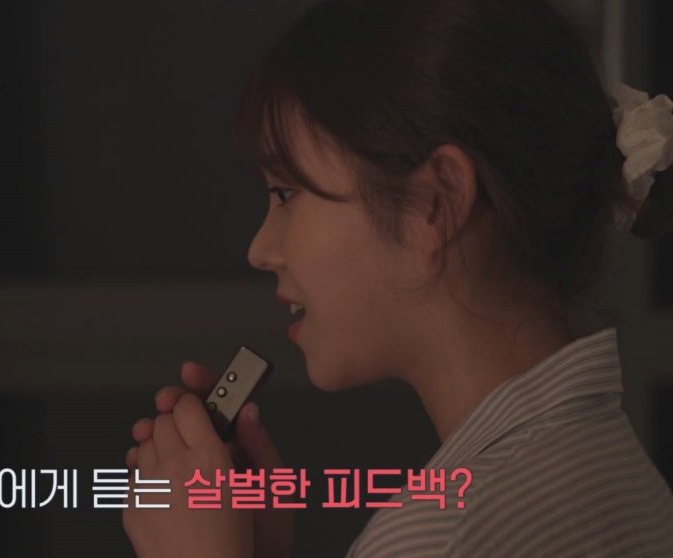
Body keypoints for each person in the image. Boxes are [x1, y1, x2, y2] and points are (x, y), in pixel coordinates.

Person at [120, 0, 673, 556]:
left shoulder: (440, 536)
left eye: (286, 194)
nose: (259, 250)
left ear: (435, 202)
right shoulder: (610, 465)